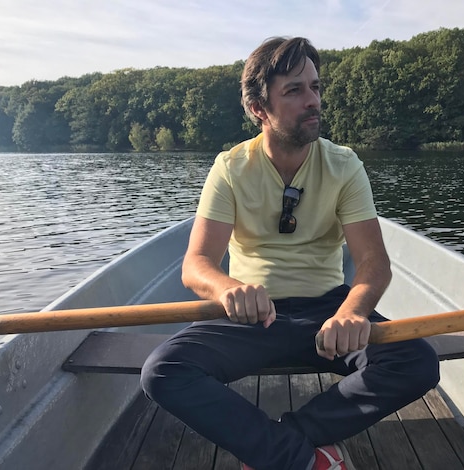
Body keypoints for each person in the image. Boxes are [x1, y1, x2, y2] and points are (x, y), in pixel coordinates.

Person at [141, 37, 439, 470]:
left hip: (329, 311)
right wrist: (229, 290)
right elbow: (196, 265)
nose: (312, 100)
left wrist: (353, 312)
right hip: (253, 316)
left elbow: (373, 263)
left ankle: (282, 444)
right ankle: (302, 459)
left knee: (416, 362)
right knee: (163, 371)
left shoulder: (345, 165)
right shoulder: (230, 168)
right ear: (259, 108)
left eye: (315, 88)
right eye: (295, 91)